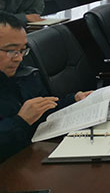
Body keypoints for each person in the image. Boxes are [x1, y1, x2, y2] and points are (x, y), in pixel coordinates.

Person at [0, 12, 92, 162]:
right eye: (11, 51)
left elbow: (44, 110)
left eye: (22, 50)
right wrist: (21, 121)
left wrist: (74, 100)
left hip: (35, 155)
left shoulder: (24, 74)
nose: (19, 58)